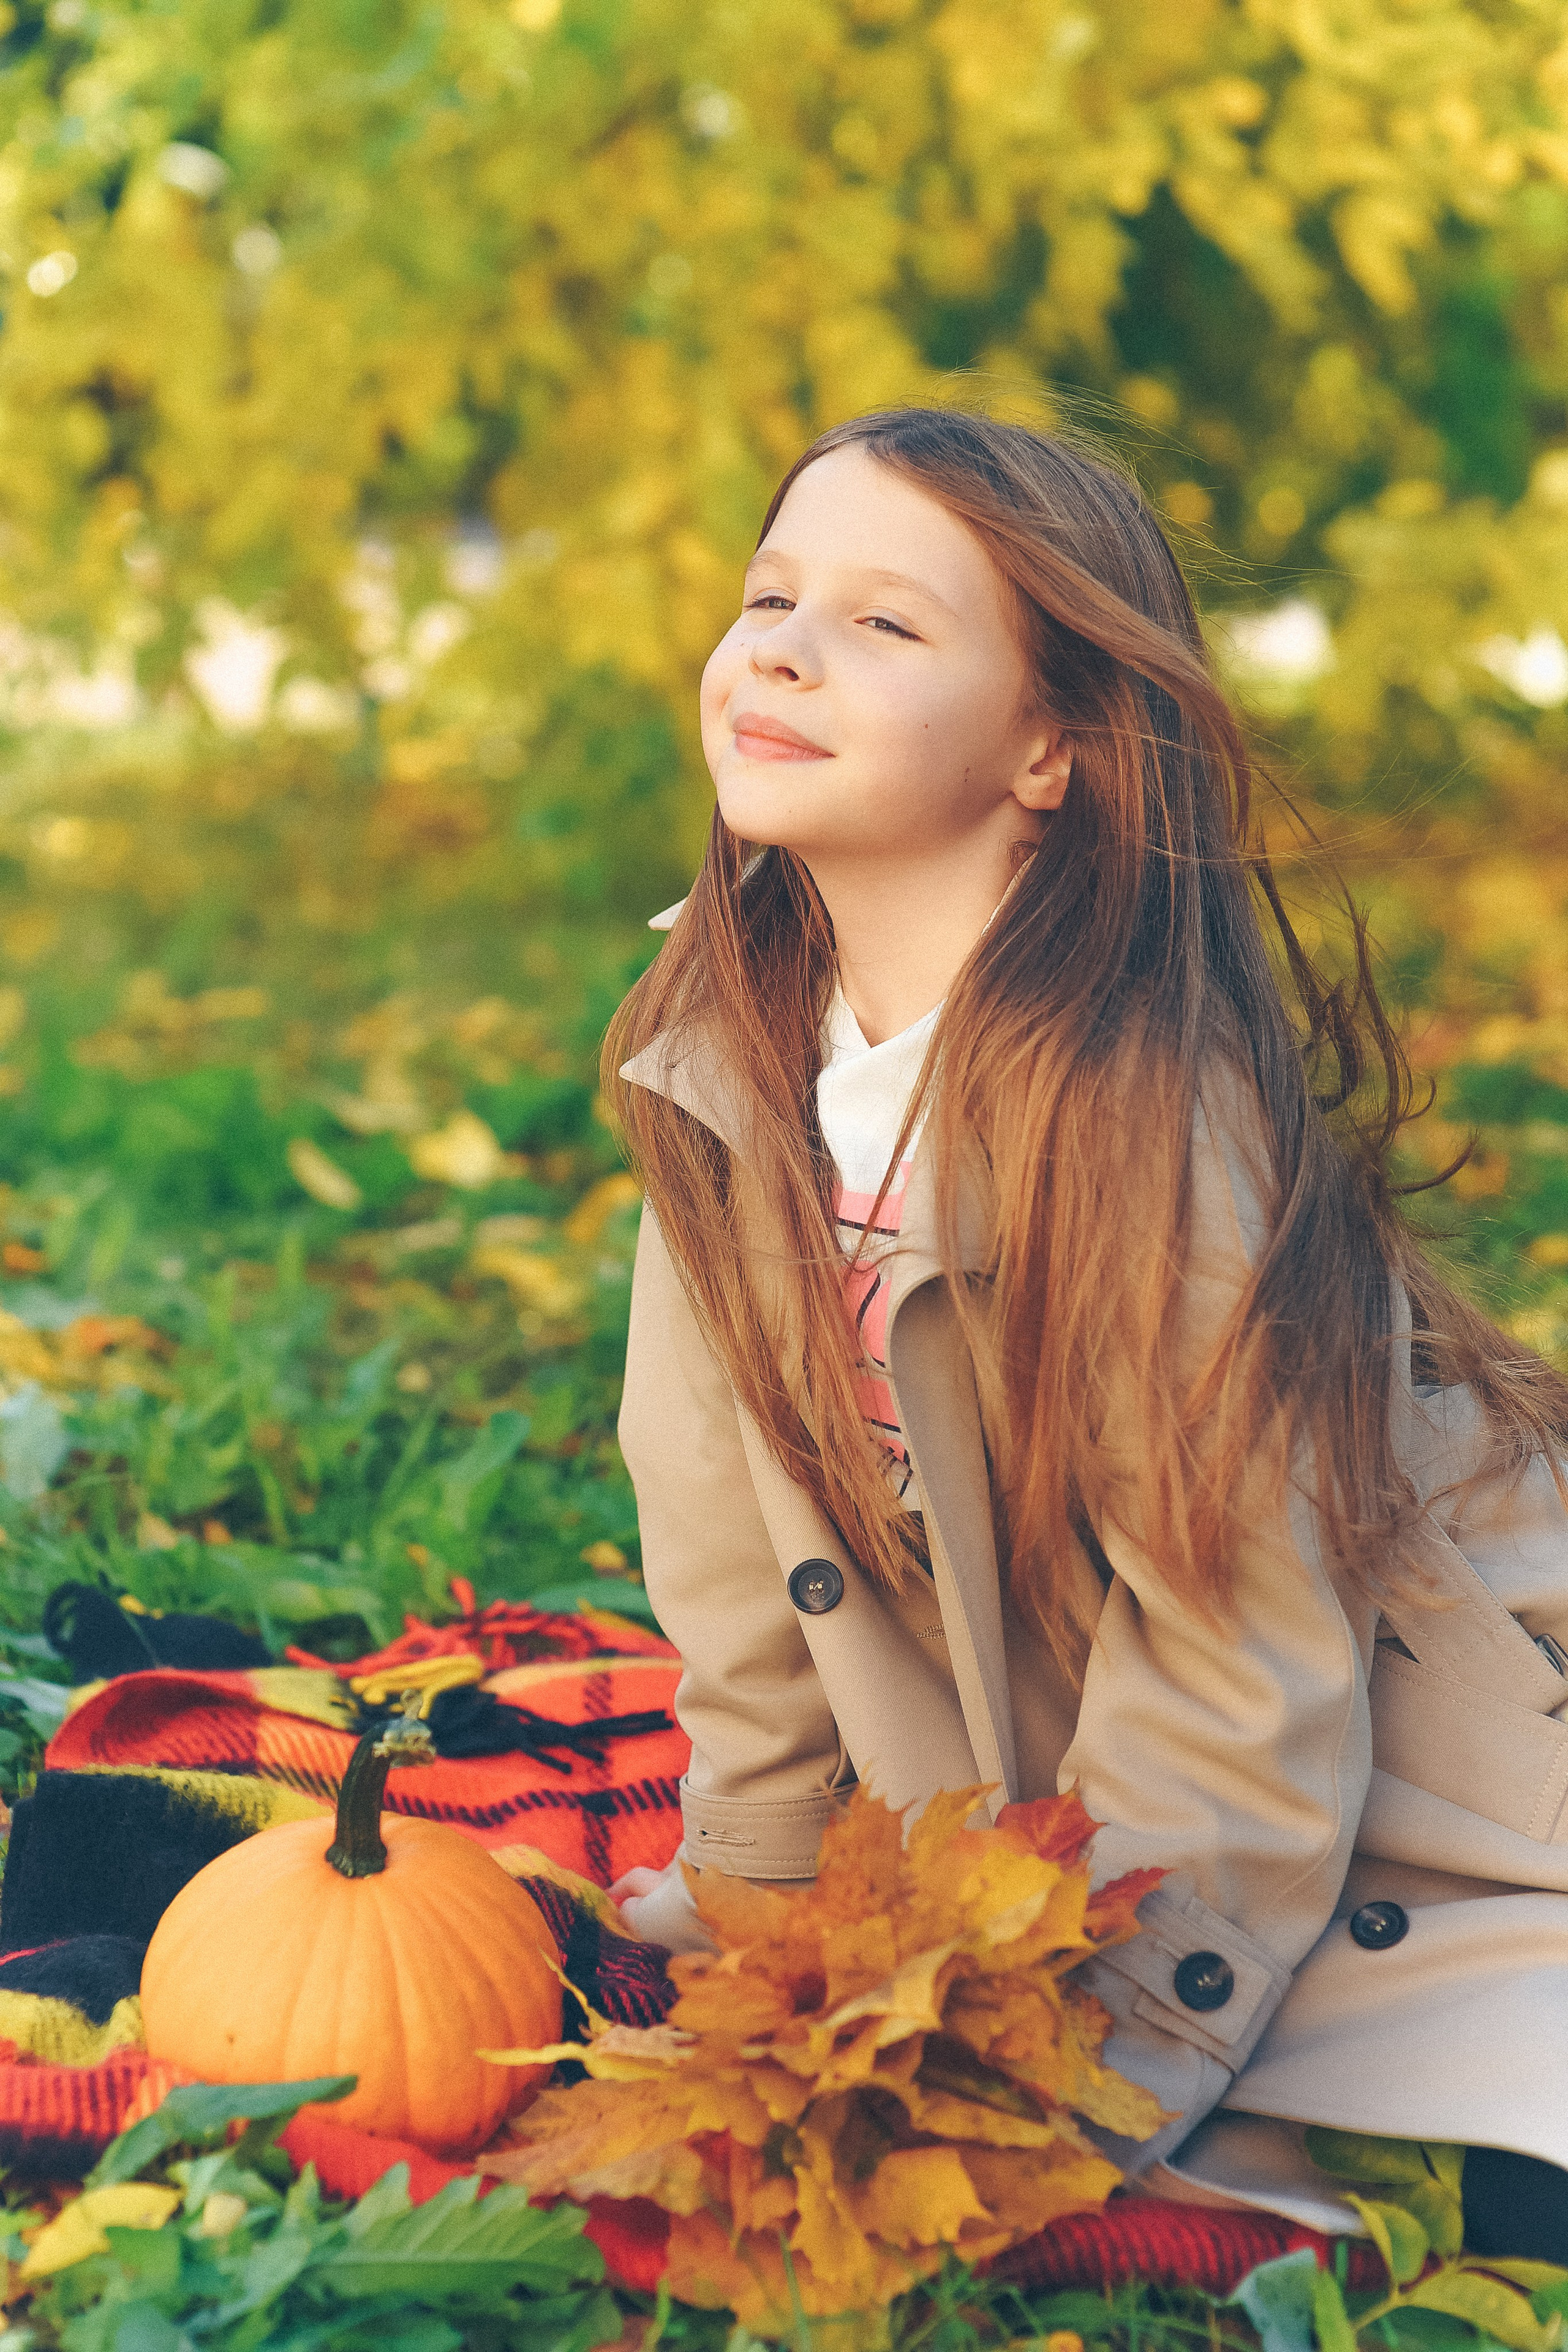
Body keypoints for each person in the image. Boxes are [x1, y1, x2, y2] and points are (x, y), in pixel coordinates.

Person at [600, 407, 1568, 2254]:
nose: (784, 651)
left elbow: (1241, 1661)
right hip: (1097, 1756)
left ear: (1051, 748)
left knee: (1471, 2135)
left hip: (1416, 1770)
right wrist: (757, 1909)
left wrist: (1082, 2064)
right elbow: (732, 1559)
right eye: (771, 597)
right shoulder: (721, 1063)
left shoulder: (1145, 1125)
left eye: (885, 624)